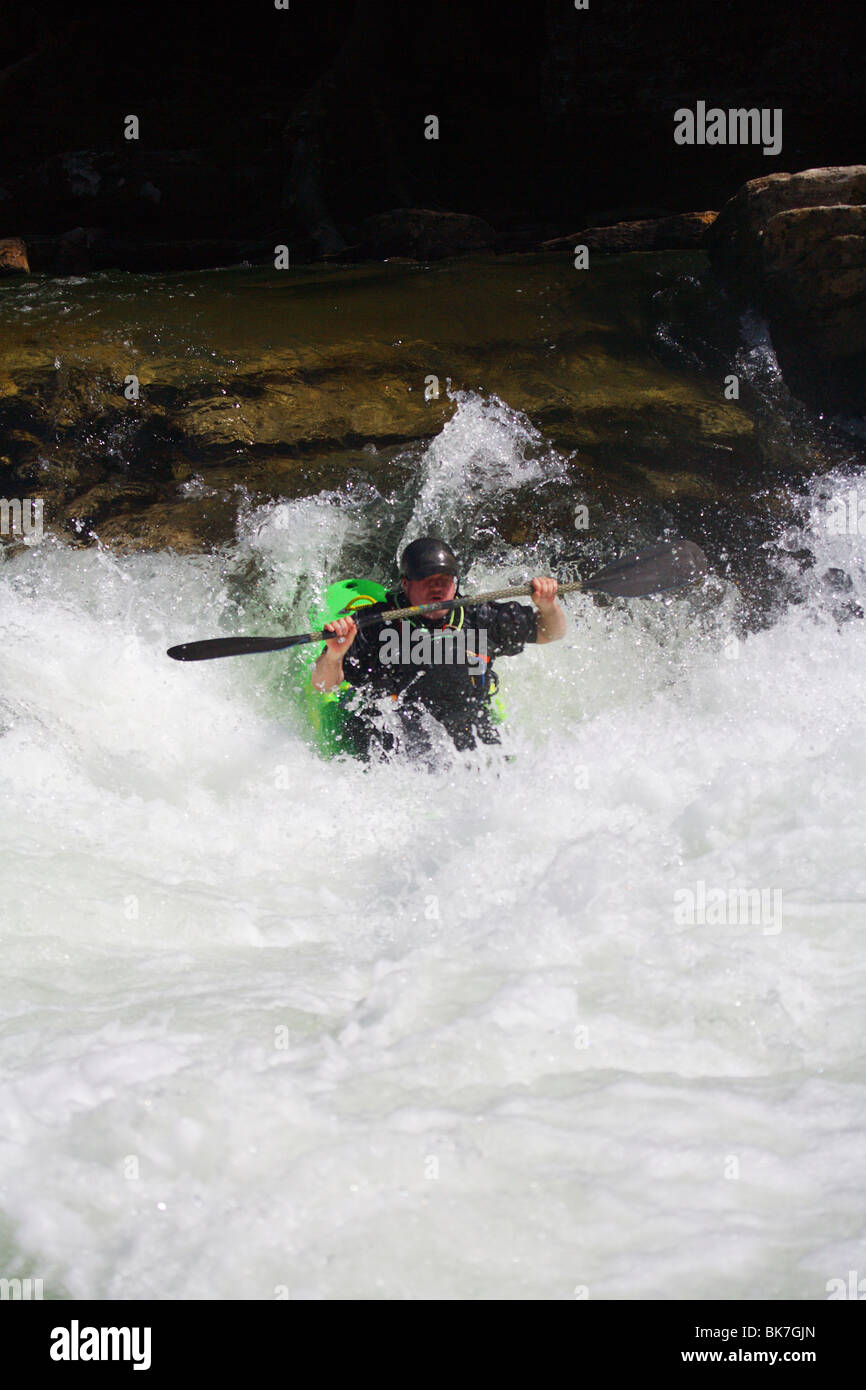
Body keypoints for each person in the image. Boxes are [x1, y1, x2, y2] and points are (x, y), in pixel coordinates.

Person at [311, 537, 566, 759]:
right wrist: (334, 654)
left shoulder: (480, 616)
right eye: (426, 579)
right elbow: (323, 684)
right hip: (391, 731)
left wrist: (548, 605)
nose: (437, 587)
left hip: (466, 728)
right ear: (406, 584)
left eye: (444, 580)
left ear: (454, 584)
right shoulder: (374, 624)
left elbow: (550, 632)